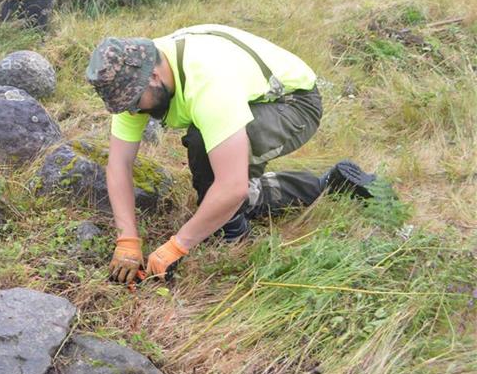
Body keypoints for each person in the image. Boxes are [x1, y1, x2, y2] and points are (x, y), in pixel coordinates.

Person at [85, 25, 376, 283]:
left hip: (292, 103)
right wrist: (127, 239)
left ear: (154, 77)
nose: (133, 112)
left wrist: (178, 245)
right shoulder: (134, 82)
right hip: (245, 97)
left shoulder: (208, 83)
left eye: (135, 103)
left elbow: (232, 186)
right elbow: (119, 165)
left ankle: (235, 229)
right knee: (213, 178)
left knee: (213, 164)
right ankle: (328, 184)